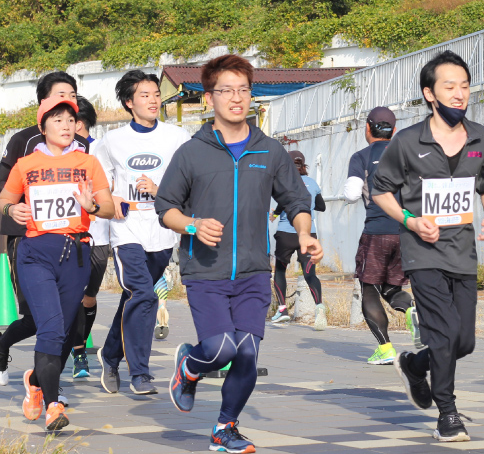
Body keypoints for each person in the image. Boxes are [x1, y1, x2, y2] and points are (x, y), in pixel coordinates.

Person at [155, 54, 323, 454]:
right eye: (226, 91)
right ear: (209, 98)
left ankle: (224, 428)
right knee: (219, 349)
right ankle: (189, 367)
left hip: (251, 271)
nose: (236, 98)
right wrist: (193, 224)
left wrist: (304, 234)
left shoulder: (270, 150)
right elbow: (166, 208)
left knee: (246, 352)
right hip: (205, 271)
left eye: (243, 90)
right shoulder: (191, 152)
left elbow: (296, 199)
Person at [372, 51, 484, 442]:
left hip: (462, 252)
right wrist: (411, 220)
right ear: (430, 93)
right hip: (422, 252)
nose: (459, 93)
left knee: (464, 340)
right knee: (443, 334)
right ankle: (447, 415)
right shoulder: (409, 141)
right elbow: (380, 191)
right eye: (450, 86)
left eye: (464, 85)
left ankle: (415, 365)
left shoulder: (482, 137)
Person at [0, 96, 114, 431]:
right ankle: (52, 406)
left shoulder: (88, 163)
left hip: (75, 255)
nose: (66, 125)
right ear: (43, 126)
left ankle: (36, 385)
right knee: (48, 329)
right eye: (57, 119)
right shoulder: (26, 165)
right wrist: (10, 210)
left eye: (70, 120)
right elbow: (4, 197)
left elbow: (108, 208)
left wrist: (92, 206)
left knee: (62, 330)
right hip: (36, 254)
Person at [0, 72, 89, 390]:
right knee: (37, 317)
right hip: (27, 239)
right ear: (43, 103)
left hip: (70, 245)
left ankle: (42, 383)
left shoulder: (81, 146)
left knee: (66, 317)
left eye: (73, 95)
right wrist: (14, 205)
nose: (68, 102)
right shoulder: (24, 141)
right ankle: (2, 346)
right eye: (61, 95)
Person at [95, 70, 190, 396]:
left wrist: (159, 190)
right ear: (129, 102)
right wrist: (111, 198)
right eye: (145, 95)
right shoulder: (112, 142)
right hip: (127, 231)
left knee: (134, 299)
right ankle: (141, 374)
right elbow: (98, 185)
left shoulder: (177, 137)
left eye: (155, 94)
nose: (153, 100)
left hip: (163, 231)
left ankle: (109, 355)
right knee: (145, 296)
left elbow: (189, 182)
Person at [343, 106, 420, 365]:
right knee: (392, 287)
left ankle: (385, 348)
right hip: (406, 231)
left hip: (376, 232)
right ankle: (411, 310)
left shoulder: (361, 157)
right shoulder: (407, 156)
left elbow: (352, 194)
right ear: (394, 130)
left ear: (367, 127)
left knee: (369, 289)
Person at [70, 96, 111, 378]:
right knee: (71, 296)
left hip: (99, 235)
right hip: (69, 236)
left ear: (79, 123)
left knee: (88, 297)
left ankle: (80, 346)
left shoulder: (103, 150)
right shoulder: (57, 154)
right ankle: (78, 353)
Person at [270, 150, 327, 331]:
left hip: (286, 233)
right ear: (303, 165)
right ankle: (319, 307)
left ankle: (282, 309)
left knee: (280, 269)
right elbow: (322, 206)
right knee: (309, 273)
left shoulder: (284, 181)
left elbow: (283, 201)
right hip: (308, 234)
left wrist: (277, 213)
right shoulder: (312, 183)